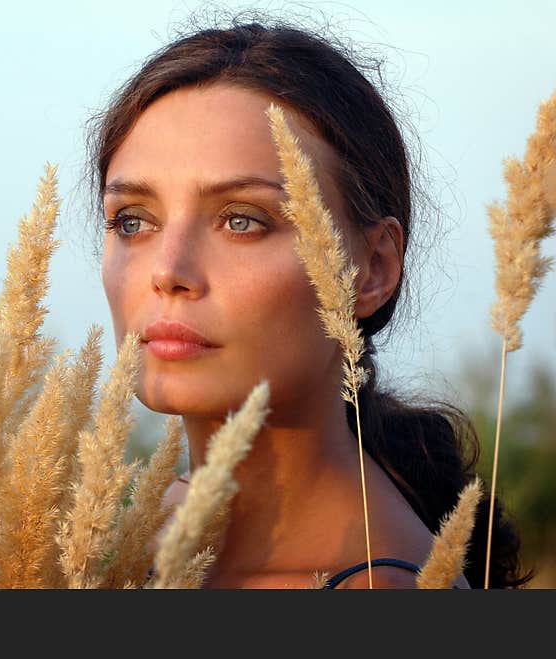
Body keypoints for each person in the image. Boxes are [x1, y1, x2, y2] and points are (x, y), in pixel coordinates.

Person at [84, 14, 533, 588]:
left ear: (372, 269)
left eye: (242, 221)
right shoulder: (130, 538)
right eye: (133, 221)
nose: (168, 271)